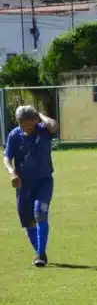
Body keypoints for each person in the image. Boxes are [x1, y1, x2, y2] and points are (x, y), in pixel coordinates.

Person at [5, 105, 59, 266]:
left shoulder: (43, 130)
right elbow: (7, 157)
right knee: (27, 220)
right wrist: (12, 172)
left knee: (40, 212)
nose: (29, 128)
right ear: (19, 122)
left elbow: (54, 125)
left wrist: (39, 114)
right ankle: (39, 252)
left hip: (44, 181)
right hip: (24, 184)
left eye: (31, 124)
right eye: (25, 125)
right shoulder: (14, 135)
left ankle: (41, 254)